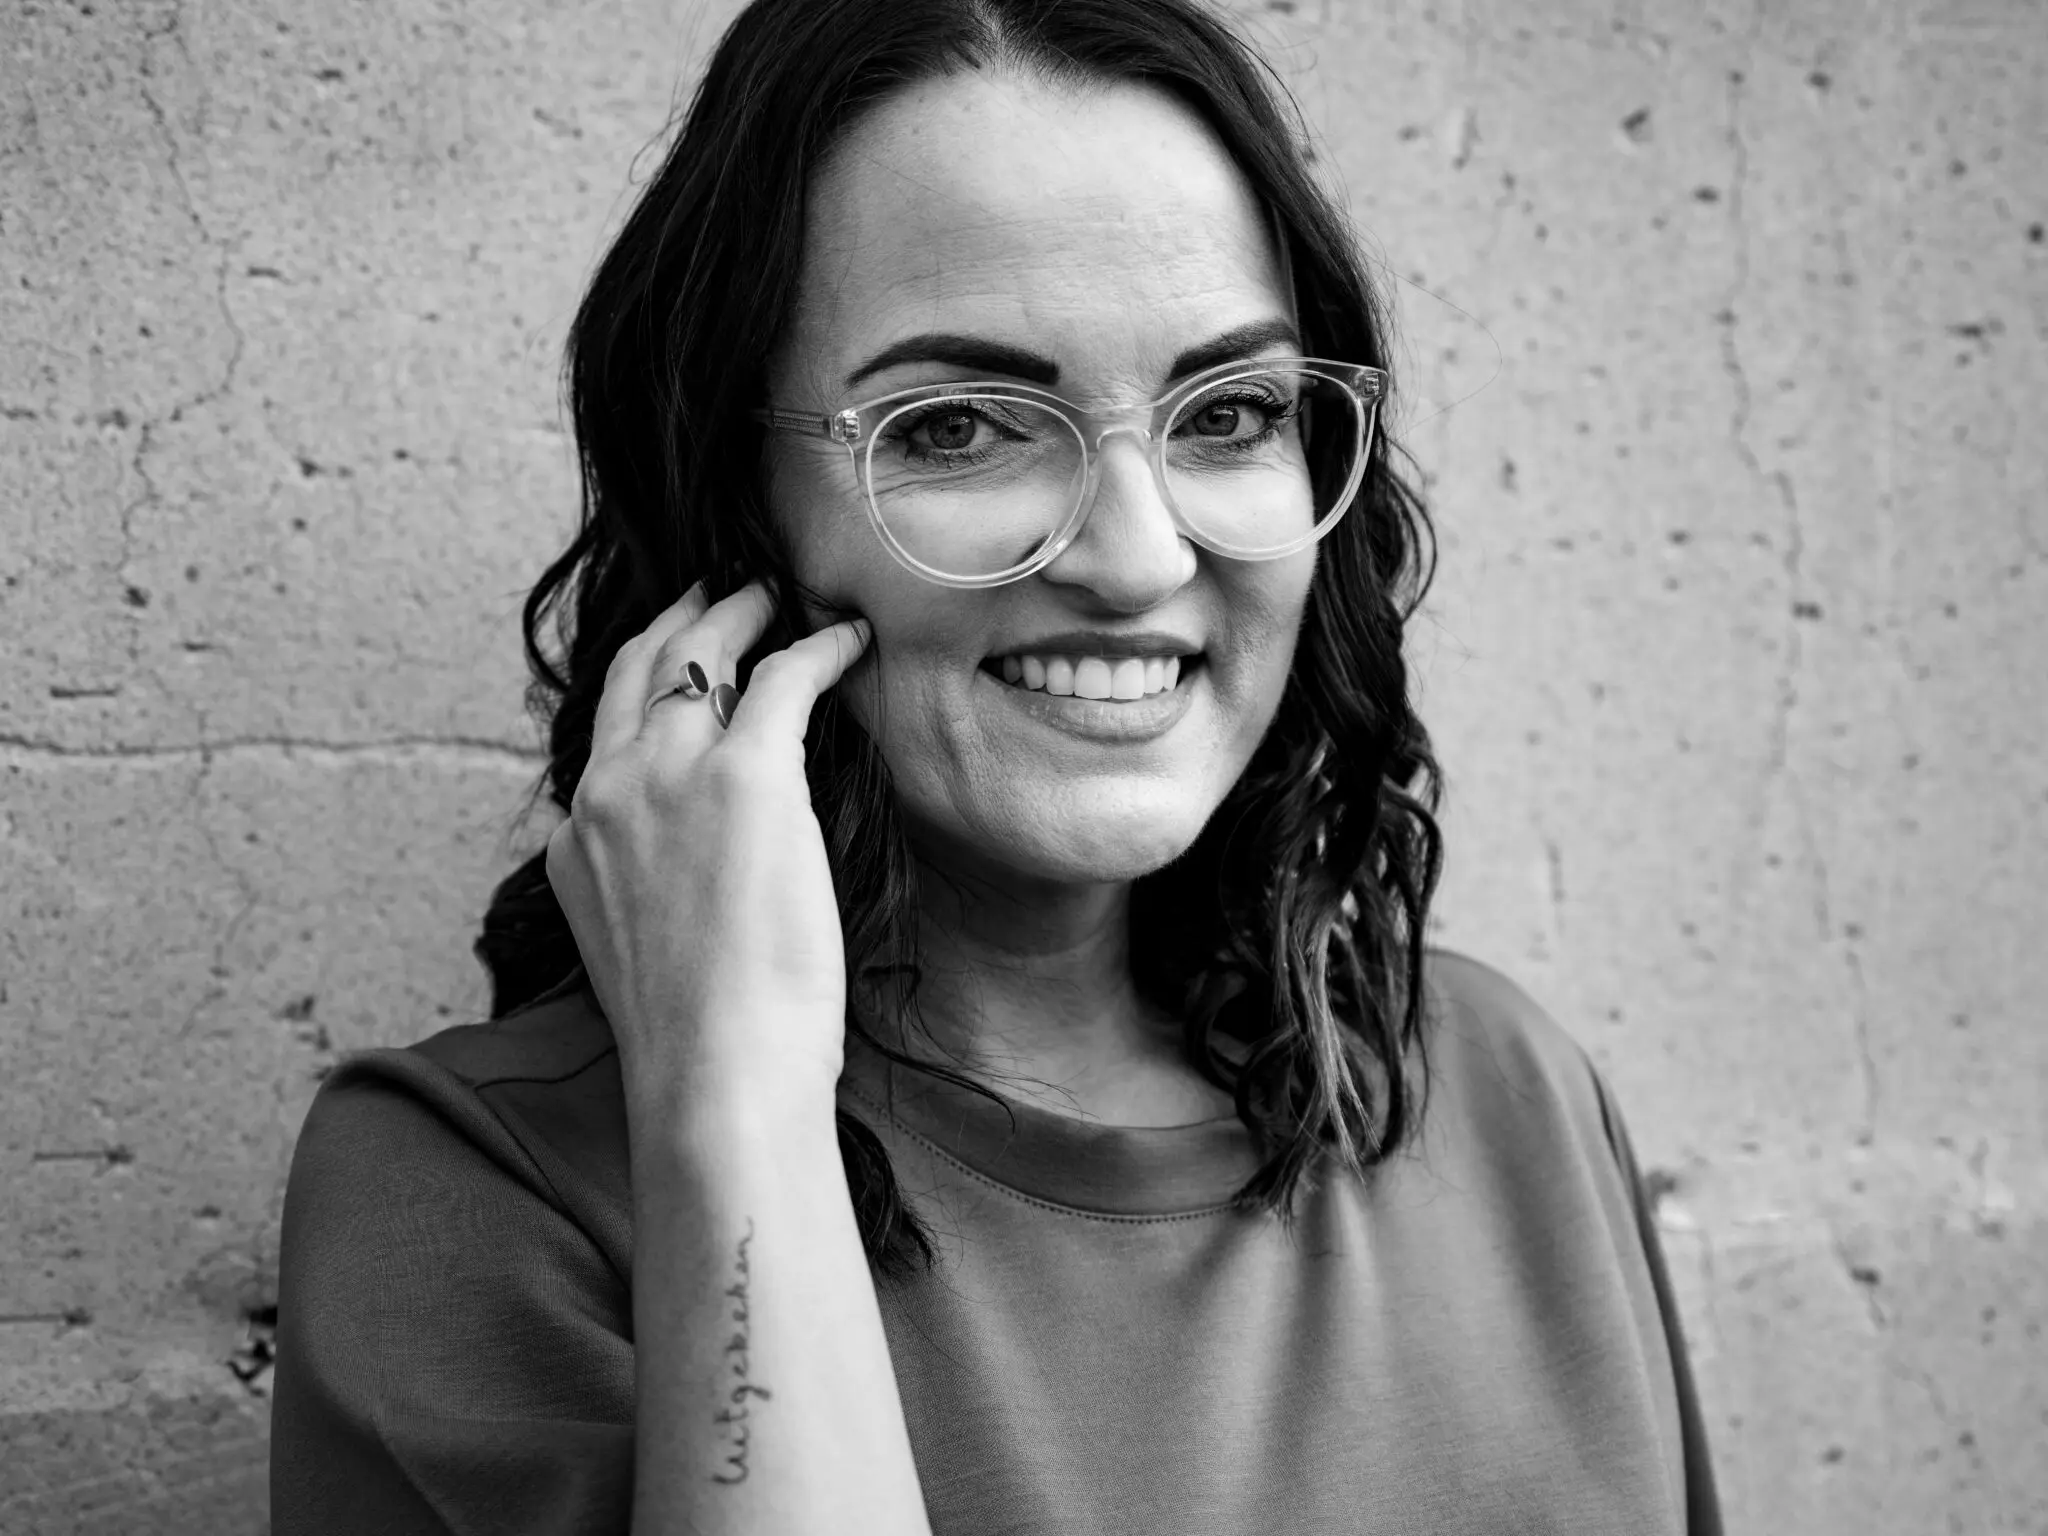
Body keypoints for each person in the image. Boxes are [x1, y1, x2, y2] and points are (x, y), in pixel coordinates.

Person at [269, 0, 1722, 1531]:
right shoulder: (473, 1197)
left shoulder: (1502, 1090)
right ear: (733, 507)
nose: (1139, 557)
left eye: (1230, 411)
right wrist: (738, 1113)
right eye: (960, 425)